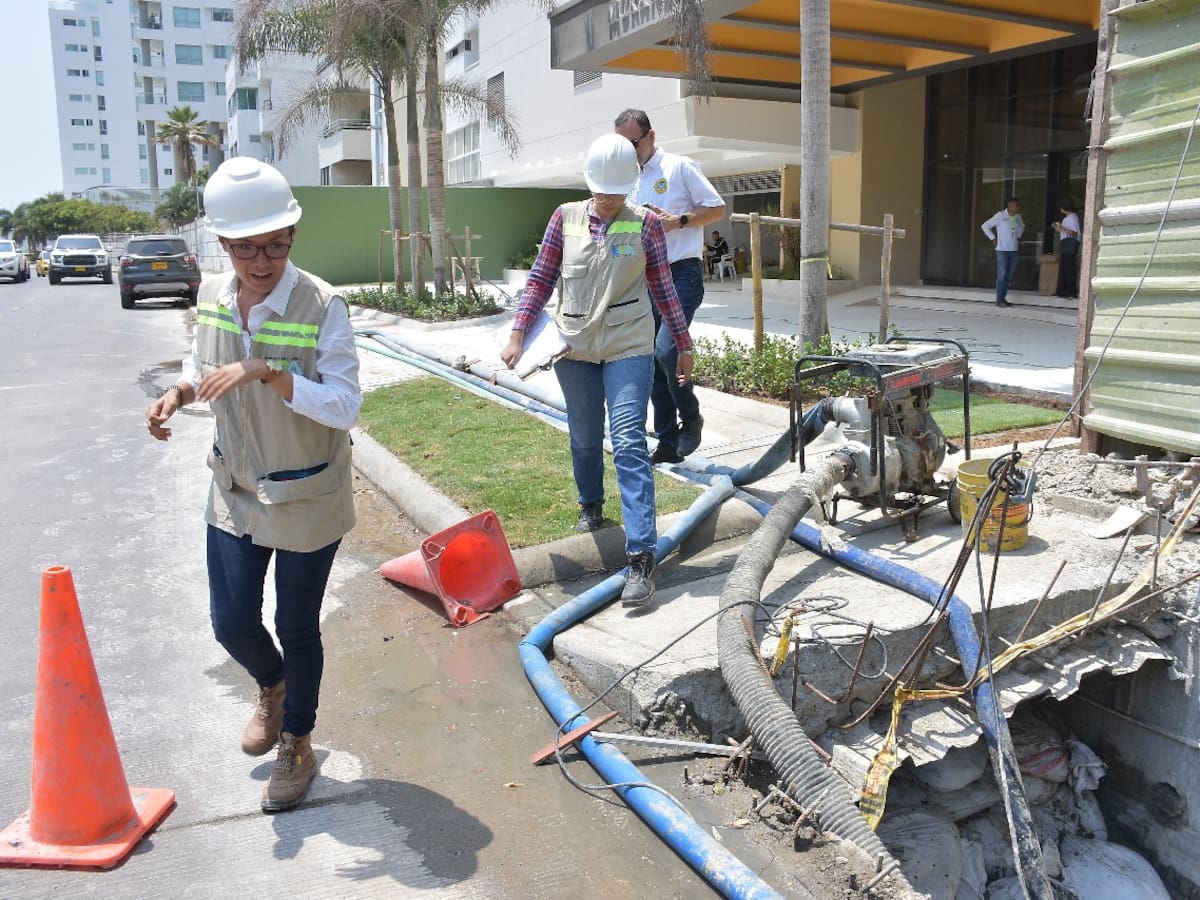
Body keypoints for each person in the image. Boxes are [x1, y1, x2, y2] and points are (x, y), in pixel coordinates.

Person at [145, 157, 361, 813]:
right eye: (244, 247)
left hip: (306, 493)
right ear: (222, 243)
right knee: (232, 622)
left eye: (272, 245)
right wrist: (180, 391)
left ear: (292, 235)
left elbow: (345, 405)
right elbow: (200, 359)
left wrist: (268, 372)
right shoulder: (212, 294)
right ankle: (272, 686)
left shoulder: (323, 305)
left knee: (296, 625)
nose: (259, 260)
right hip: (235, 486)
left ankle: (296, 741)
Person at [500, 134, 694, 608]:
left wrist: (683, 345)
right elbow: (541, 277)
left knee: (628, 439)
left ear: (631, 185)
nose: (608, 200)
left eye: (617, 192)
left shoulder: (646, 224)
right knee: (585, 436)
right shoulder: (563, 219)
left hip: (629, 343)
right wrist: (518, 332)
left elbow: (664, 289)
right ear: (590, 185)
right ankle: (591, 508)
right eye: (602, 191)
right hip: (575, 345)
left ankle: (642, 556)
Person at [614, 109, 725, 464]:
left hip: (682, 274)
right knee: (652, 362)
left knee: (666, 351)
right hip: (645, 278)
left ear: (651, 136)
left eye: (632, 143)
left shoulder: (679, 167)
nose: (628, 150)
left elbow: (717, 208)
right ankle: (665, 442)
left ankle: (690, 419)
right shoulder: (629, 179)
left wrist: (678, 222)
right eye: (622, 145)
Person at [980, 197, 1025, 308]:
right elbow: (985, 226)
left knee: (1008, 276)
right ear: (1010, 206)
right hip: (1002, 250)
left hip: (1013, 250)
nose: (1018, 207)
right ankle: (999, 300)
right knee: (1002, 275)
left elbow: (1022, 226)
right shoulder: (1000, 216)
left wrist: (1018, 236)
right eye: (1016, 205)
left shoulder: (1018, 217)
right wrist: (993, 238)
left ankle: (1003, 298)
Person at [1053, 200, 1081, 299]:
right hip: (1066, 244)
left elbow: (1074, 233)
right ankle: (1063, 291)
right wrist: (1059, 228)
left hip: (1070, 244)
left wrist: (1061, 228)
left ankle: (1071, 292)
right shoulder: (1068, 218)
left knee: (1069, 268)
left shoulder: (1072, 217)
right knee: (1064, 268)